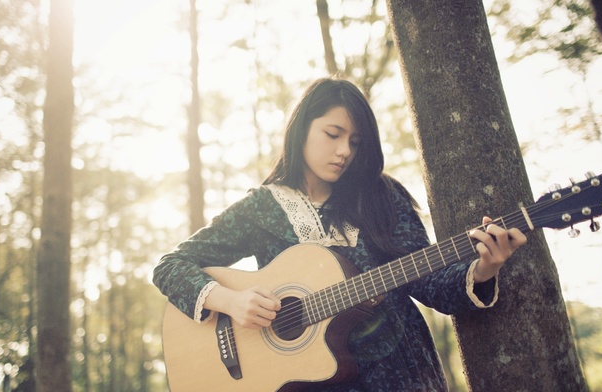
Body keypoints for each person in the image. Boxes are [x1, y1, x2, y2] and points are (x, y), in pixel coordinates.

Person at [152, 77, 527, 391]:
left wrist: (482, 270)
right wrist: (231, 302)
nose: (344, 151)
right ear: (301, 129)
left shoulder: (381, 195)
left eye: (355, 141)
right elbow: (170, 266)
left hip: (403, 374)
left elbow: (429, 283)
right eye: (333, 134)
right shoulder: (261, 208)